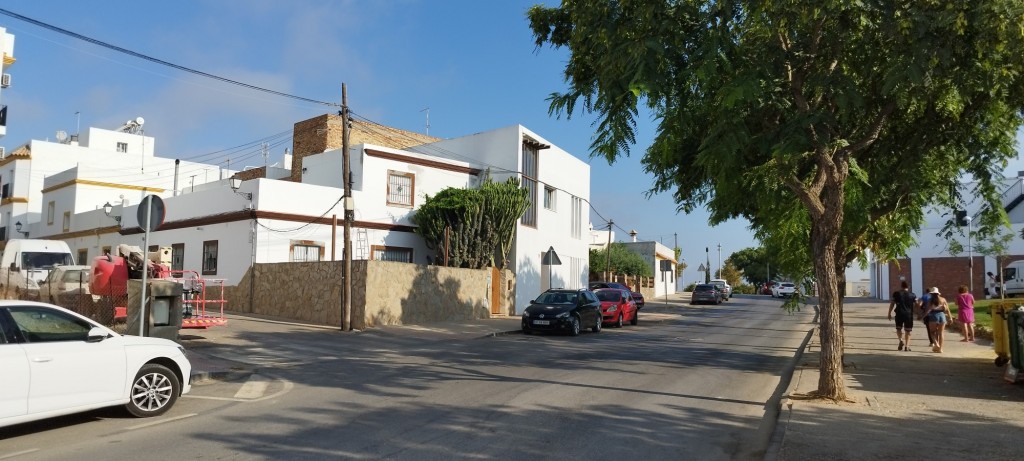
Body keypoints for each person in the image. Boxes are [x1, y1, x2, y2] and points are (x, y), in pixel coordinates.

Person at [887, 281, 917, 351]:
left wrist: (889, 313)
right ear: (908, 287)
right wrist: (918, 314)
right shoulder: (912, 295)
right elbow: (917, 304)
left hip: (899, 313)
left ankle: (901, 340)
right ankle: (907, 346)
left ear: (901, 286)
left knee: (898, 328)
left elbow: (892, 304)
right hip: (908, 314)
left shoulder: (896, 294)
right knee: (908, 331)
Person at [924, 287, 953, 353]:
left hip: (933, 315)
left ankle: (936, 344)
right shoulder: (943, 299)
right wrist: (950, 317)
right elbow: (947, 309)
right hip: (942, 315)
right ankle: (940, 349)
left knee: (932, 332)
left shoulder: (930, 300)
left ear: (931, 293)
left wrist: (923, 317)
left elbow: (927, 310)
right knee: (941, 333)